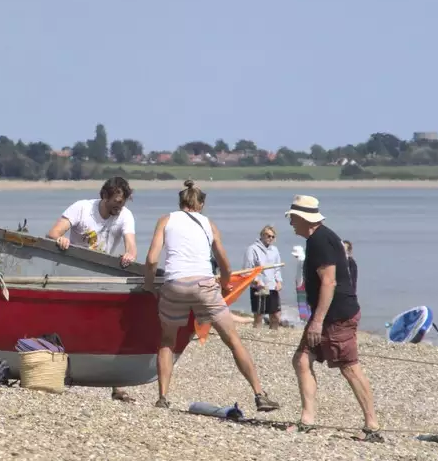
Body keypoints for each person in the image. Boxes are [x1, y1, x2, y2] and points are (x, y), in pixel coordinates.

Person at [143, 180, 280, 412]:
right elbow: (224, 262)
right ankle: (259, 394)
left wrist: (150, 285)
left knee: (167, 341)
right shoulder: (209, 224)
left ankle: (163, 397)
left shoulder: (165, 220)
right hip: (204, 286)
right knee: (233, 341)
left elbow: (152, 259)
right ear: (202, 204)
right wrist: (226, 285)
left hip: (175, 284)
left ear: (180, 202)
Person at [284, 195, 383, 442]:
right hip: (327, 313)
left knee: (349, 367)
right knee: (302, 359)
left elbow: (329, 281)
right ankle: (308, 420)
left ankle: (372, 426)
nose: (291, 223)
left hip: (337, 315)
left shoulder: (321, 240)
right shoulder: (317, 238)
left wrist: (317, 321)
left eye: (293, 218)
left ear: (305, 219)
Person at [48, 176, 141, 401]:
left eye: (122, 204)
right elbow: (53, 233)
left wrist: (129, 254)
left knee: (111, 327)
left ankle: (116, 385)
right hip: (72, 275)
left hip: (102, 277)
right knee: (66, 325)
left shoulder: (125, 216)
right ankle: (55, 371)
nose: (118, 209)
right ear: (104, 197)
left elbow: (131, 246)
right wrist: (60, 240)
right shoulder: (81, 208)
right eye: (115, 204)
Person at [243, 225, 283, 329]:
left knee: (275, 314)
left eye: (273, 237)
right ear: (262, 235)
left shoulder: (275, 250)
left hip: (272, 286)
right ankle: (257, 334)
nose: (270, 238)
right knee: (259, 314)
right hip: (259, 286)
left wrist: (279, 281)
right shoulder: (252, 249)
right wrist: (256, 281)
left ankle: (273, 333)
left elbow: (277, 268)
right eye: (268, 236)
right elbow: (247, 269)